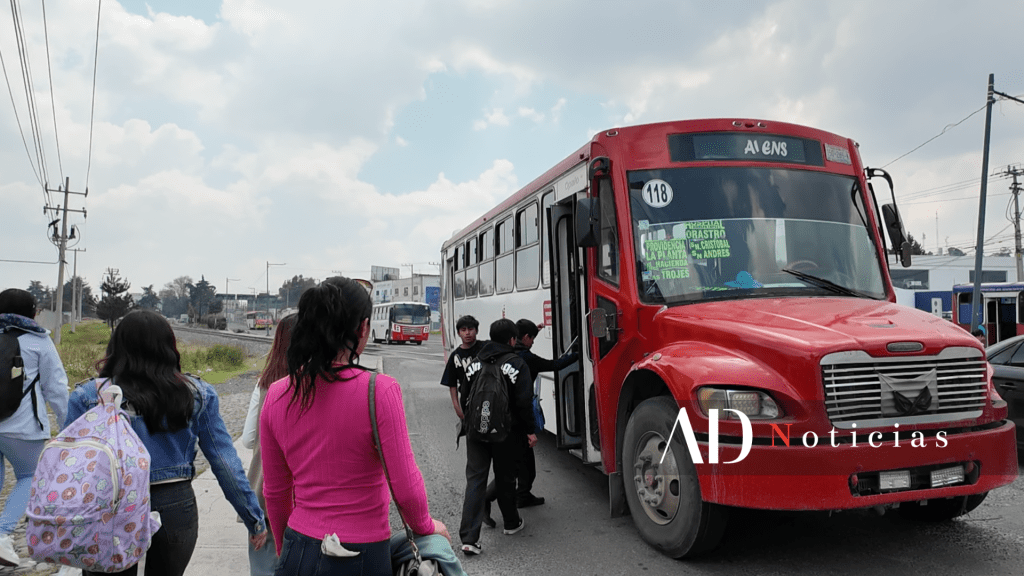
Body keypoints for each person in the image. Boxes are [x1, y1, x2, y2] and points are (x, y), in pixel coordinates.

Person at [260, 277, 450, 576]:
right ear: (363, 328)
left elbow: (276, 492)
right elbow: (406, 487)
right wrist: (427, 526)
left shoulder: (277, 393)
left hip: (299, 546)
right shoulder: (379, 391)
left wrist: (287, 552)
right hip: (360, 553)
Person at [65, 310, 267, 576]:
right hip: (174, 503)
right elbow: (224, 461)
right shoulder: (198, 394)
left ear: (116, 346)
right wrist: (253, 518)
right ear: (169, 347)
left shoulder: (88, 396)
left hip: (108, 504)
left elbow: (71, 468)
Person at [0, 289, 69, 568]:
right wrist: (68, 429)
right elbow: (56, 390)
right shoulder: (39, 342)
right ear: (31, 312)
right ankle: (3, 535)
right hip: (24, 428)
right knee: (31, 475)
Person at [458, 319, 535, 556]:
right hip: (506, 432)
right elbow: (524, 403)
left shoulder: (474, 363)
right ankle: (511, 523)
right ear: (512, 340)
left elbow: (465, 397)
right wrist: (530, 430)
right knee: (505, 478)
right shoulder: (517, 364)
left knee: (476, 479)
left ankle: (470, 539)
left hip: (475, 431)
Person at [241, 314, 296, 576]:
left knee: (263, 566)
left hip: (264, 491)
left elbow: (248, 439)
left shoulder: (264, 385)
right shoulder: (317, 386)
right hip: (303, 496)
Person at [440, 315, 485, 424]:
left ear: (477, 331)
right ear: (459, 333)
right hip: (467, 401)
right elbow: (452, 384)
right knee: (471, 434)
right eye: (463, 330)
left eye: (470, 329)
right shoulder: (455, 356)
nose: (467, 333)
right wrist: (457, 407)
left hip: (486, 397)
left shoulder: (485, 348)